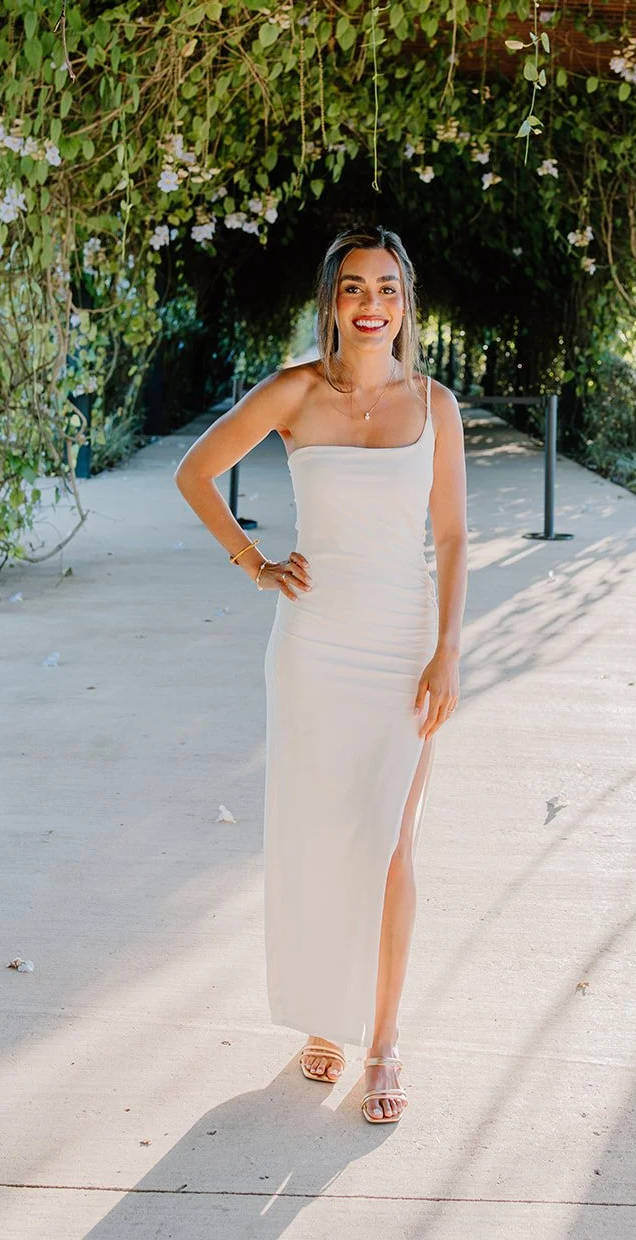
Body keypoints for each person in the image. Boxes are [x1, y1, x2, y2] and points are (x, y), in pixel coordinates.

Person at [174, 225, 468, 1124]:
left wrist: (449, 647)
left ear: (405, 301)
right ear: (330, 301)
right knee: (317, 838)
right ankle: (324, 1020)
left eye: (386, 288)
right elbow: (196, 473)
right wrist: (253, 563)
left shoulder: (435, 406)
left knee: (389, 846)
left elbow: (452, 538)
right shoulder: (295, 393)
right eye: (353, 288)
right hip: (312, 647)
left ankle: (381, 1042)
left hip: (403, 645)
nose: (370, 305)